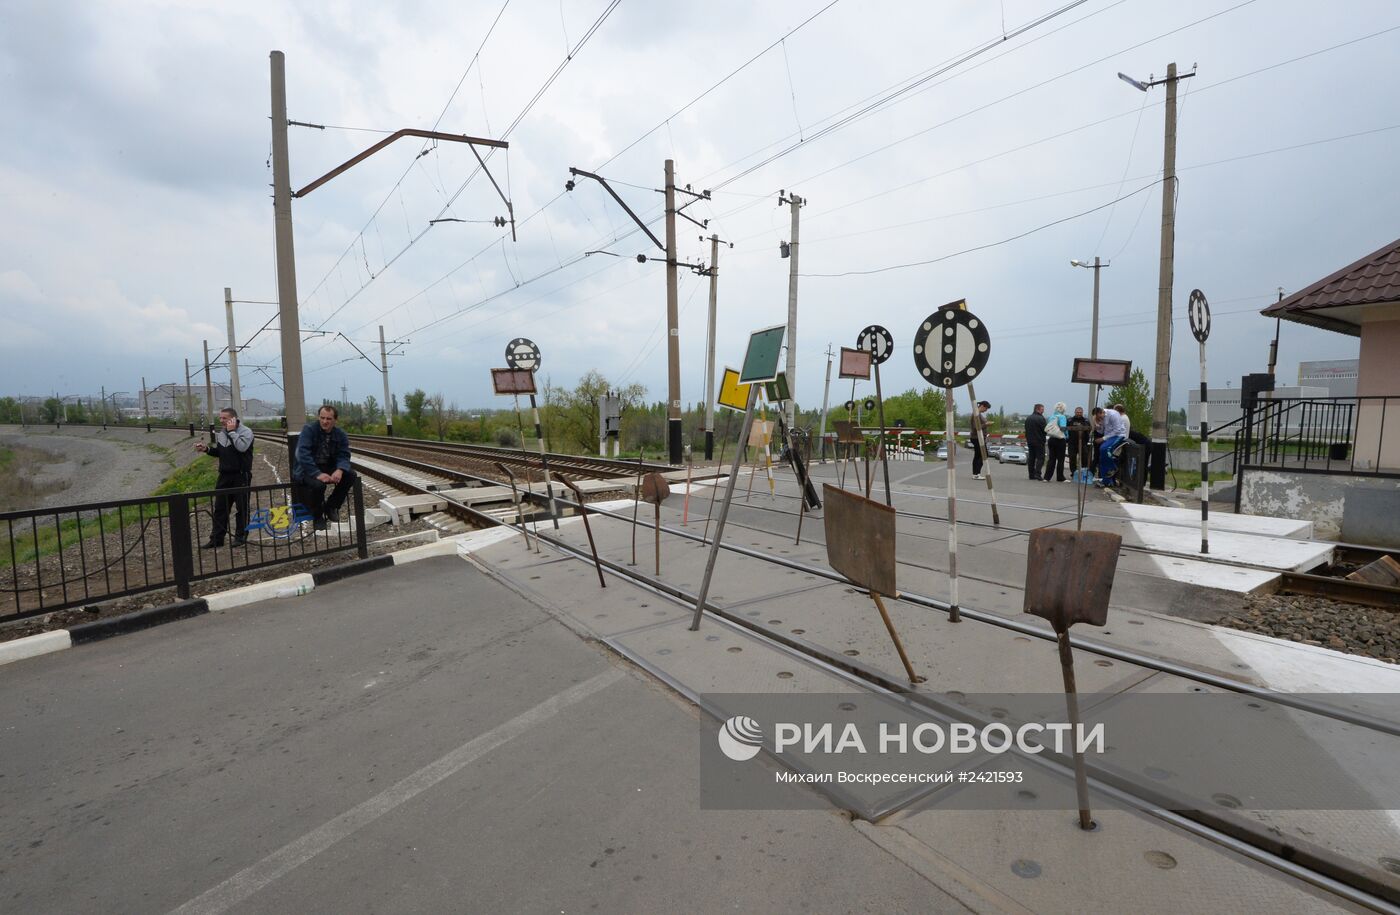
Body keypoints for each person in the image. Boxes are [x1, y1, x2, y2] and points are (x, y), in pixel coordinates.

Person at [195, 408, 255, 548]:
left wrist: (232, 432)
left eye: (224, 418)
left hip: (241, 475)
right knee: (220, 508)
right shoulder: (221, 433)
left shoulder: (246, 432)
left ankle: (240, 537)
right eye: (220, 418)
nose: (221, 420)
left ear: (233, 419)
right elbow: (222, 453)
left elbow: (241, 448)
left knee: (242, 508)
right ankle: (217, 539)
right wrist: (207, 450)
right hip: (224, 475)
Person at [294, 404, 357, 531]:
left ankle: (331, 506)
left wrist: (340, 470)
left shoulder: (340, 434)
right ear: (318, 417)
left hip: (327, 466)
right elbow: (303, 455)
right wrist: (317, 474)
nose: (325, 421)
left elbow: (344, 454)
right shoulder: (309, 430)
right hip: (307, 469)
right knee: (319, 485)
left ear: (335, 420)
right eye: (322, 418)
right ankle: (318, 516)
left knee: (350, 475)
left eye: (328, 419)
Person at [1098, 403, 1128, 486]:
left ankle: (1113, 467)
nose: (1100, 418)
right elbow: (1102, 431)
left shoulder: (1113, 414)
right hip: (1109, 436)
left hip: (1118, 435)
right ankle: (1106, 480)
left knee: (1105, 449)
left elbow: (1117, 430)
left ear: (1102, 413)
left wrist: (1103, 438)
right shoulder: (1101, 418)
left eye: (1100, 417)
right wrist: (1098, 425)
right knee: (1102, 454)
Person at [1044, 402, 1068, 482]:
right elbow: (1063, 428)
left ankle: (1047, 477)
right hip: (1060, 440)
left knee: (1051, 459)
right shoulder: (1062, 417)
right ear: (1064, 409)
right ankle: (1060, 477)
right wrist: (1067, 435)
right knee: (1060, 459)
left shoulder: (1052, 417)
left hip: (1051, 439)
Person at [1067, 406, 1093, 477]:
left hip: (1083, 442)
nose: (1079, 414)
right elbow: (1066, 430)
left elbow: (1089, 429)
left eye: (1080, 412)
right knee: (1072, 458)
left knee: (1084, 458)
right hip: (1072, 443)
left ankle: (1084, 472)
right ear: (1075, 412)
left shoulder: (1086, 420)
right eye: (1077, 412)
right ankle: (1073, 473)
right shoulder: (1070, 420)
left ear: (1082, 413)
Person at [1024, 403, 1047, 481]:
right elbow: (1045, 430)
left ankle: (1031, 475)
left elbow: (1026, 430)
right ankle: (1038, 474)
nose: (1043, 411)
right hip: (1039, 441)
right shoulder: (1041, 418)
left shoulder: (1028, 418)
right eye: (1042, 409)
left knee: (1031, 458)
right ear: (1037, 409)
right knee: (1041, 458)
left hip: (1030, 441)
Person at [970, 400, 991, 480]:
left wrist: (985, 424)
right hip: (977, 438)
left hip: (978, 437)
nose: (986, 411)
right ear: (982, 406)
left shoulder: (978, 414)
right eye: (986, 409)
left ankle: (976, 473)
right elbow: (976, 427)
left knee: (979, 455)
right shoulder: (976, 414)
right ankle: (976, 473)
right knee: (982, 455)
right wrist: (986, 424)